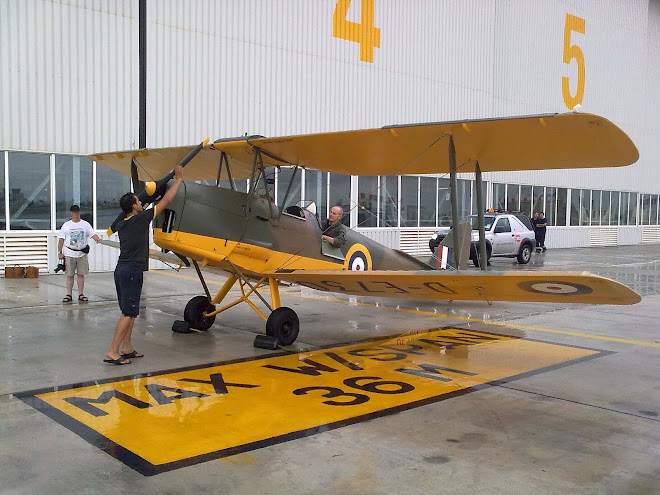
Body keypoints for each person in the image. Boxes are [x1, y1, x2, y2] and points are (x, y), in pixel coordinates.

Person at [104, 165, 184, 365]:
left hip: (121, 269)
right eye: (139, 201)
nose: (141, 202)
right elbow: (166, 201)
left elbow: (138, 206)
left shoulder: (122, 222)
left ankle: (127, 347)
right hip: (131, 271)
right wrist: (179, 180)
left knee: (129, 311)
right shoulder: (140, 219)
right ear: (133, 207)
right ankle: (113, 351)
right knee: (129, 312)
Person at [58, 205, 101, 303]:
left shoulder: (85, 224)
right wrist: (60, 252)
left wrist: (97, 238)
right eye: (74, 212)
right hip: (69, 253)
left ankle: (81, 294)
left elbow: (92, 233)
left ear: (79, 213)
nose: (76, 214)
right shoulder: (66, 225)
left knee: (81, 275)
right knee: (70, 275)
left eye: (77, 212)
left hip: (81, 254)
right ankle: (69, 294)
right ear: (71, 213)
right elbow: (61, 239)